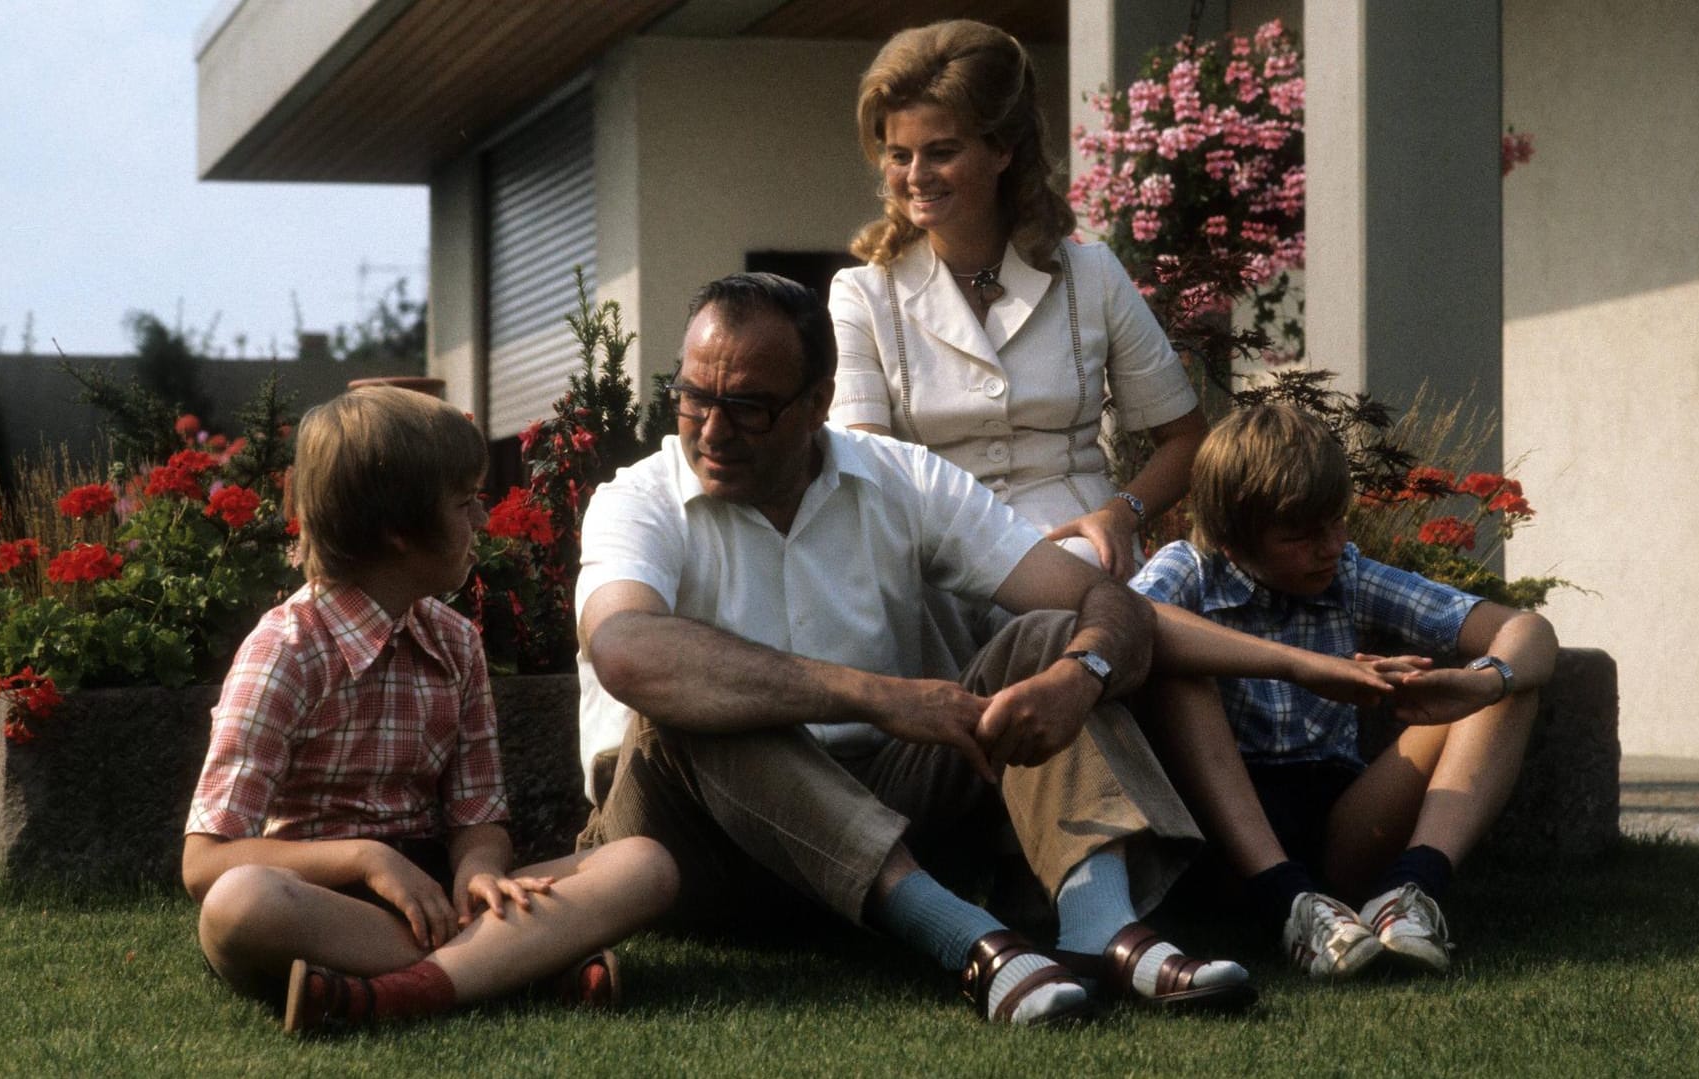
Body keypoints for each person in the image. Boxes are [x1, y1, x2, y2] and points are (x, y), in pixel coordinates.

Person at [574, 273, 1396, 1025]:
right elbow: (627, 649)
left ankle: (1102, 926)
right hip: (694, 842)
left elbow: (1101, 599)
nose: (712, 429)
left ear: (820, 399)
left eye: (749, 406)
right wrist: (874, 693)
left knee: (1046, 640)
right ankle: (971, 942)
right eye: (692, 398)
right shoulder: (639, 500)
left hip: (887, 801)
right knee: (702, 697)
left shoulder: (898, 478)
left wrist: (1082, 675)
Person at [181, 385, 678, 1035]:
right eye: (464, 501)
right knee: (238, 907)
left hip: (443, 901)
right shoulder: (283, 653)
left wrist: (479, 869)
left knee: (644, 864)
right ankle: (517, 964)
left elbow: (479, 816)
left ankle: (402, 989)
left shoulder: (455, 642)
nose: (481, 519)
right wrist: (366, 859)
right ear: (396, 531)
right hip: (324, 905)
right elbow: (204, 862)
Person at [1128, 405, 1558, 978]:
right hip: (1218, 833)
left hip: (1338, 825)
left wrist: (1479, 681)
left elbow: (1530, 631)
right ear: (1233, 536)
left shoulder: (1347, 574)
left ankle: (1407, 898)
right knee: (1179, 664)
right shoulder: (1191, 569)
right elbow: (1132, 623)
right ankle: (1287, 900)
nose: (1330, 545)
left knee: (1508, 681)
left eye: (1337, 522)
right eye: (1301, 535)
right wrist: (1305, 667)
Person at [830, 19, 1206, 582]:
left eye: (941, 152)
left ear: (1001, 149)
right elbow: (867, 467)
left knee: (1086, 598)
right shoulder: (861, 295)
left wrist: (1120, 514)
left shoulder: (1091, 275)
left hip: (1078, 549)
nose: (916, 176)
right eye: (898, 155)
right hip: (934, 560)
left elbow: (1187, 439)